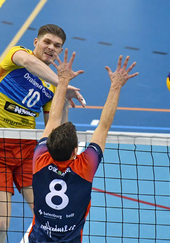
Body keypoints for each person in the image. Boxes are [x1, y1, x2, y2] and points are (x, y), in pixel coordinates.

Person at [0, 24, 86, 243]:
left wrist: (62, 98)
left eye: (57, 46)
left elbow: (53, 130)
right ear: (36, 42)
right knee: (0, 223)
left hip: (27, 153)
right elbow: (29, 63)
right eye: (47, 42)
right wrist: (62, 82)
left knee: (48, 214)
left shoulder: (54, 86)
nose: (51, 48)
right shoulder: (17, 55)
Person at [29, 49, 138, 242]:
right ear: (75, 152)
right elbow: (104, 126)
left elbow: (53, 119)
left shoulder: (40, 158)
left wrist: (62, 80)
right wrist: (116, 86)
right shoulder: (84, 166)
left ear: (49, 146)